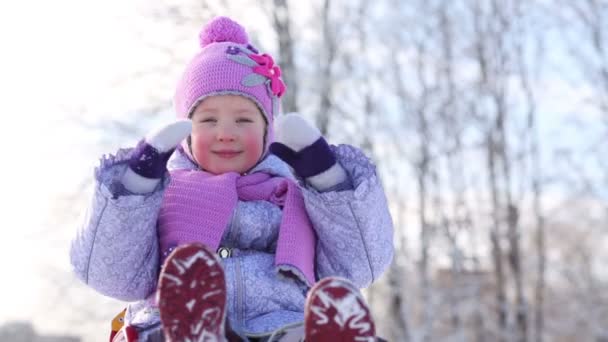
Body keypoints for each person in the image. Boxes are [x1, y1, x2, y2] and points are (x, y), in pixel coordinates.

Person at [70, 16, 394, 342]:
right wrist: (137, 184)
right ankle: (195, 330)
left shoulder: (295, 197)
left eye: (243, 119)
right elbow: (113, 275)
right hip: (170, 320)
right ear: (184, 130)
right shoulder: (163, 196)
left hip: (279, 325)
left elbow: (357, 267)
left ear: (269, 129)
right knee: (163, 327)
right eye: (208, 119)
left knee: (304, 330)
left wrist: (327, 177)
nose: (226, 133)